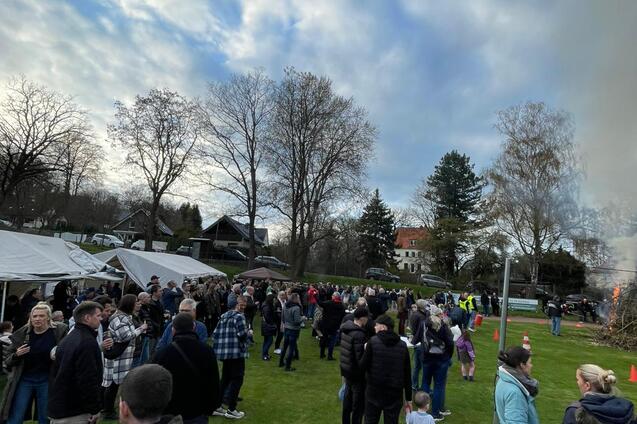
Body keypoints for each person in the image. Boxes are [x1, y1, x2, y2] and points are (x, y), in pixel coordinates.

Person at [0, 302, 68, 424]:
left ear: (48, 317)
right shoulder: (23, 333)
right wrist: (16, 355)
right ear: (30, 318)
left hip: (47, 379)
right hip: (25, 379)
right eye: (35, 316)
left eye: (41, 316)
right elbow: (7, 359)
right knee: (15, 416)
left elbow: (67, 353)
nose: (37, 319)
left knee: (45, 416)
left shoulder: (57, 331)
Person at [152, 313, 220, 424]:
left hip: (170, 412)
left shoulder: (162, 354)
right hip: (197, 410)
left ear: (173, 330)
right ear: (193, 328)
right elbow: (213, 382)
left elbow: (155, 386)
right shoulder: (206, 351)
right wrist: (211, 406)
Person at [48, 301, 104, 424]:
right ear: (87, 318)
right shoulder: (86, 342)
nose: (101, 319)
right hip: (75, 410)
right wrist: (94, 408)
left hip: (62, 404)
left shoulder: (70, 338)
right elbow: (87, 378)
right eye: (98, 315)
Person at [102, 294, 148, 420]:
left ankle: (109, 409)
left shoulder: (123, 316)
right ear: (129, 304)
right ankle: (108, 411)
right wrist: (141, 329)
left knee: (114, 384)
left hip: (122, 357)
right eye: (136, 302)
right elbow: (125, 336)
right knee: (112, 385)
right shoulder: (120, 318)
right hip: (118, 357)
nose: (138, 304)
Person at [360, 314, 412, 424]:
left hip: (375, 391)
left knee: (370, 420)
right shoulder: (402, 345)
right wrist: (408, 398)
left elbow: (362, 366)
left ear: (383, 327)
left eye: (376, 325)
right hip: (394, 393)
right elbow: (407, 374)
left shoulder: (372, 342)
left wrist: (364, 350)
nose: (374, 327)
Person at [213, 295, 249, 419]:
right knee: (237, 379)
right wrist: (249, 333)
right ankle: (231, 409)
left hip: (225, 353)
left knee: (225, 379)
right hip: (236, 353)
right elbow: (242, 334)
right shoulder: (239, 317)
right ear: (236, 305)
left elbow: (215, 333)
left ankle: (217, 406)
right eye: (241, 304)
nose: (243, 306)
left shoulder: (223, 316)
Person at [562, 364, 637, 424]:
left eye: (578, 379)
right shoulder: (626, 409)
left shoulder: (576, 411)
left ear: (587, 385)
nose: (577, 382)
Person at [419, 306, 454, 421]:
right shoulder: (443, 326)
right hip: (441, 359)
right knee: (438, 386)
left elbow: (419, 338)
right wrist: (448, 355)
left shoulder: (424, 324)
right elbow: (450, 343)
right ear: (438, 314)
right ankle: (435, 413)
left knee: (425, 383)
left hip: (427, 358)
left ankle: (423, 410)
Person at [495, 346, 539, 424]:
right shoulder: (515, 394)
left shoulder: (503, 379)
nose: (531, 366)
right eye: (529, 363)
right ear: (522, 365)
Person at [340, 307, 369, 424]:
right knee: (358, 404)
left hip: (347, 369)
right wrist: (366, 349)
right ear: (362, 318)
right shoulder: (359, 334)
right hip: (356, 374)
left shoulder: (346, 328)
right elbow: (360, 359)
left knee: (347, 400)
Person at [279, 292, 304, 371]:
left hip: (286, 328)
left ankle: (281, 362)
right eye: (298, 298)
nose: (299, 299)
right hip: (293, 330)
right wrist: (303, 318)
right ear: (295, 299)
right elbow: (297, 321)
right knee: (291, 348)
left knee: (284, 346)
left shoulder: (285, 305)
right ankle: (288, 366)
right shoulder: (296, 308)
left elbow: (282, 318)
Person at [409, 299, 429, 391]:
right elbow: (416, 329)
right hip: (420, 342)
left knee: (418, 366)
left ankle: (415, 385)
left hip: (421, 341)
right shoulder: (417, 315)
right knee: (420, 366)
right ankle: (417, 385)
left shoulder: (423, 314)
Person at [319, 292, 346, 360]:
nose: (331, 296)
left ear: (334, 297)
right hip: (335, 325)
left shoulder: (329, 303)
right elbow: (343, 316)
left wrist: (316, 295)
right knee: (332, 340)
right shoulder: (341, 306)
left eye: (333, 295)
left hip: (326, 324)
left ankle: (322, 354)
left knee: (324, 338)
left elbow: (320, 303)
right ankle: (329, 355)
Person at [260, 293, 277, 361]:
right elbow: (267, 317)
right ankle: (264, 355)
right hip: (267, 326)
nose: (275, 300)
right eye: (274, 299)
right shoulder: (267, 307)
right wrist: (273, 324)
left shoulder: (267, 305)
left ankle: (265, 354)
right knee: (269, 340)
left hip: (266, 325)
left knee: (266, 340)